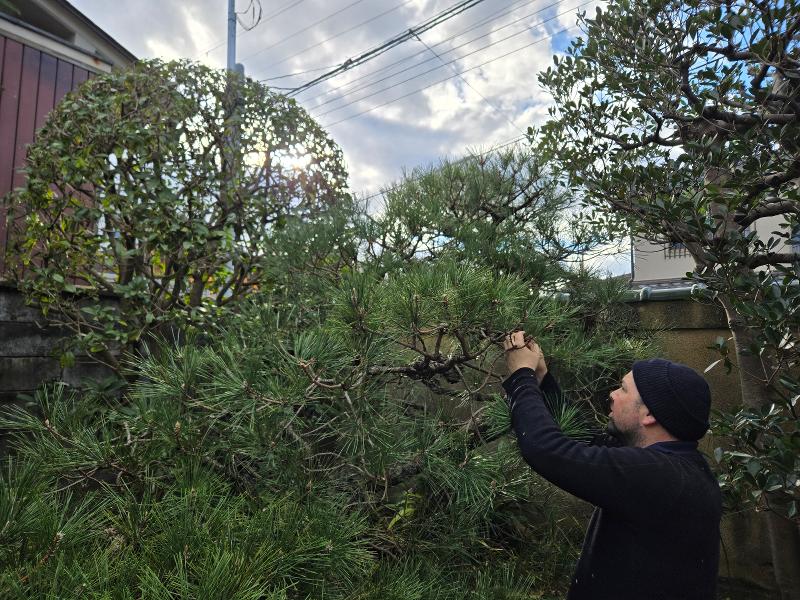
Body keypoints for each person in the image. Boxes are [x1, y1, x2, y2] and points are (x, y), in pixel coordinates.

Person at [503, 331, 721, 600]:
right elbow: (588, 441)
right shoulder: (678, 466)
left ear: (650, 414)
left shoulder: (660, 476)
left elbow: (547, 450)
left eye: (623, 389)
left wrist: (520, 377)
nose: (612, 394)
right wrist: (542, 378)